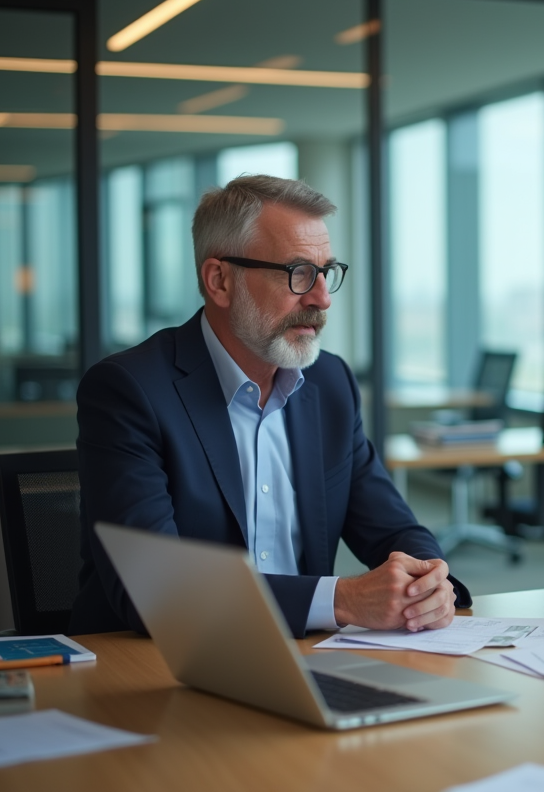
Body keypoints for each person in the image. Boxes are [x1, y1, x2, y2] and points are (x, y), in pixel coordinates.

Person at [70, 175, 466, 638]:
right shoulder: (131, 390)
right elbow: (155, 589)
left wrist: (428, 581)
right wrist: (343, 599)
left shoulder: (330, 383)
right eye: (298, 273)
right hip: (156, 662)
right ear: (219, 281)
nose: (322, 298)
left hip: (308, 656)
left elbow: (394, 529)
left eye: (326, 272)